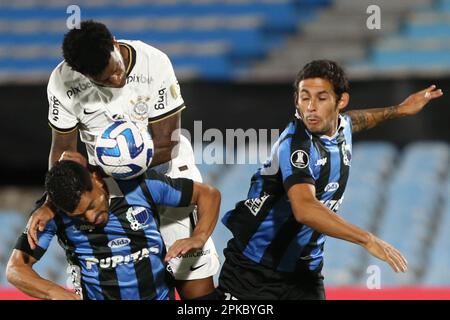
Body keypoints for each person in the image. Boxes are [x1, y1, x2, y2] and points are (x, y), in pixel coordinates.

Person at [216, 60, 443, 300]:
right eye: (305, 98)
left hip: (305, 273)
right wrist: (367, 239)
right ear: (296, 100)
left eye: (321, 98)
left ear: (340, 101)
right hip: (254, 272)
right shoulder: (296, 145)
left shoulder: (341, 125)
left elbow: (355, 120)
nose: (311, 107)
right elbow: (304, 209)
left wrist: (398, 109)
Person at [27, 20, 220, 299]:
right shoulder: (63, 82)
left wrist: (112, 167)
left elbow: (168, 144)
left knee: (194, 285)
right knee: (129, 286)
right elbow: (61, 153)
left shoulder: (154, 63)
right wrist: (50, 202)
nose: (116, 80)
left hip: (168, 176)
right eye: (105, 80)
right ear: (81, 73)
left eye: (115, 70)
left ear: (115, 43)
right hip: (107, 192)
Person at [7, 153, 220, 300]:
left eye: (91, 205)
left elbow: (208, 194)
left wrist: (199, 237)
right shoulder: (51, 213)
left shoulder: (138, 186)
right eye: (80, 215)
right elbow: (16, 269)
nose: (91, 217)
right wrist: (55, 292)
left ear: (97, 179)